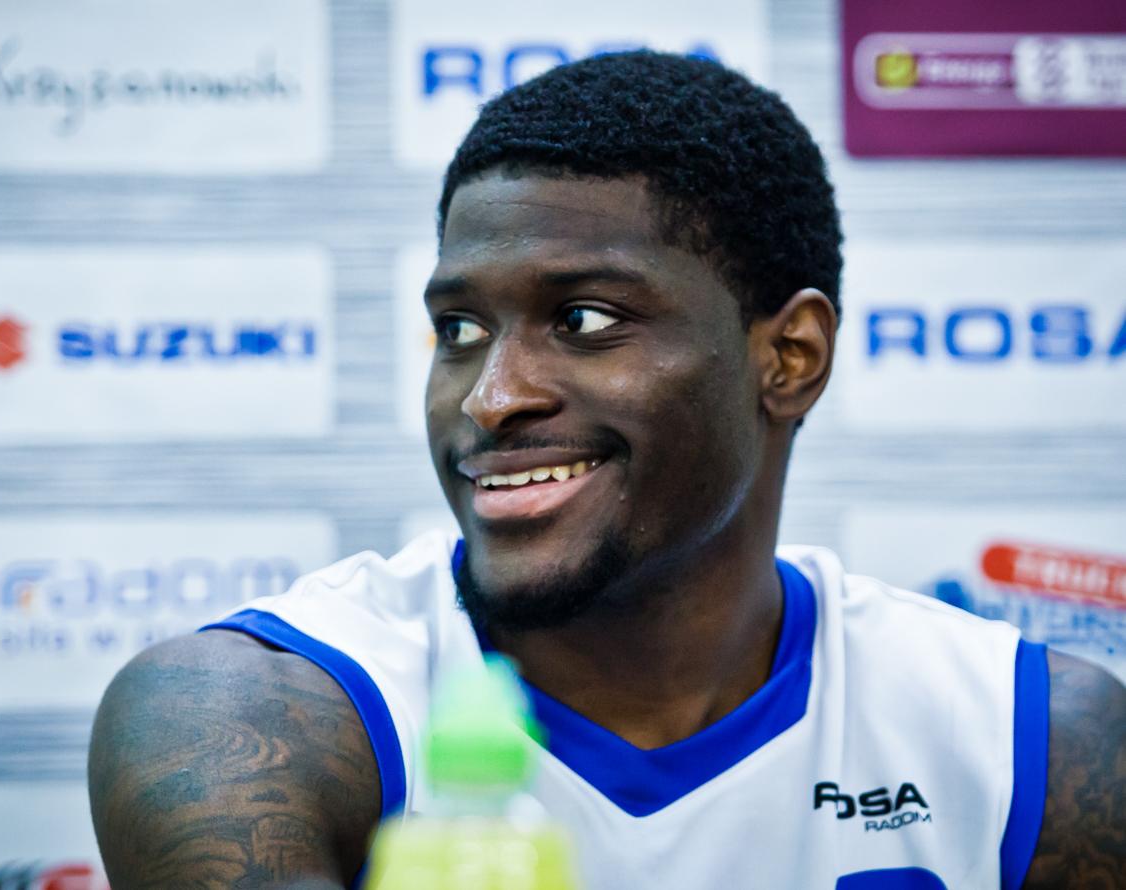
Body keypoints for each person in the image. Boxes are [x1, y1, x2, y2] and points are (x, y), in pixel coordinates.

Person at [87, 52, 1126, 889]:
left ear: (789, 357)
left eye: (583, 319)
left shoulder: (1035, 741)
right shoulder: (242, 715)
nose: (490, 397)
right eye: (460, 329)